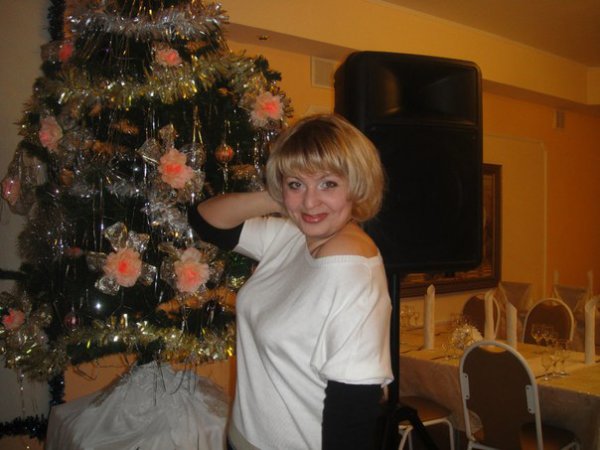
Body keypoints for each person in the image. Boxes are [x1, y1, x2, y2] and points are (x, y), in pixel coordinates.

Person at [189, 114, 393, 450]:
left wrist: (294, 190)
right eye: (297, 184)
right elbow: (206, 220)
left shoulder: (352, 273)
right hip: (244, 438)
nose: (310, 203)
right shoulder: (293, 235)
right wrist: (279, 195)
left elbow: (354, 405)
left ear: (356, 186)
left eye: (328, 184)